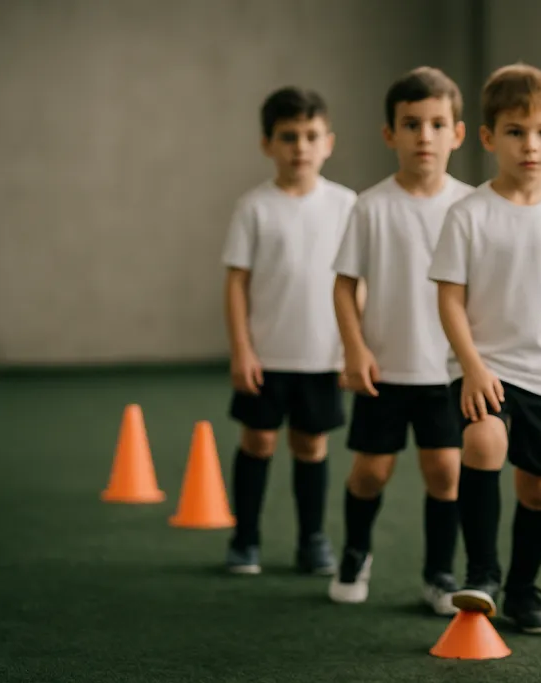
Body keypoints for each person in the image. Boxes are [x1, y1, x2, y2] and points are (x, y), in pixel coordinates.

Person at [428, 63, 541, 635]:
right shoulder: (467, 214)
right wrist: (472, 367)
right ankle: (482, 575)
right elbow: (449, 300)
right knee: (483, 441)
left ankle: (521, 590)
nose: (529, 145)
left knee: (540, 488)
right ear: (488, 138)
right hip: (483, 371)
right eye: (515, 132)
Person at [326, 67, 473, 616]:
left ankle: (439, 573)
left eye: (437, 124)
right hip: (384, 370)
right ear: (390, 133)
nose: (424, 136)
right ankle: (355, 553)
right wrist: (354, 348)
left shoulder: (472, 206)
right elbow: (344, 286)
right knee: (370, 473)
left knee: (446, 473)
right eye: (412, 124)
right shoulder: (370, 206)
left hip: (447, 373)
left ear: (458, 133)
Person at [220, 87, 357, 576]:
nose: (300, 146)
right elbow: (236, 283)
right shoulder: (253, 207)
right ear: (267, 144)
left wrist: (352, 348)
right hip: (267, 356)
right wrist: (242, 350)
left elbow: (355, 283)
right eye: (288, 136)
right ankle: (245, 539)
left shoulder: (345, 205)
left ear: (328, 143)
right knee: (258, 441)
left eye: (311, 136)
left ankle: (312, 540)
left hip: (322, 356)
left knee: (311, 446)